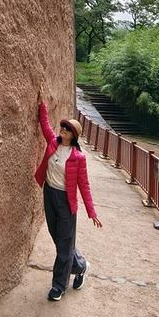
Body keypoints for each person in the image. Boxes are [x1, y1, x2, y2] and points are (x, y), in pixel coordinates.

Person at [34, 86, 103, 301]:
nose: (62, 130)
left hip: (66, 201)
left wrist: (91, 212)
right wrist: (41, 104)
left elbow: (84, 186)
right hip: (49, 194)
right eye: (63, 127)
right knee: (59, 239)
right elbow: (45, 125)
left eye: (67, 129)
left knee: (64, 245)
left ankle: (58, 286)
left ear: (73, 135)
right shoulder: (53, 143)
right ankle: (81, 266)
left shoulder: (78, 158)